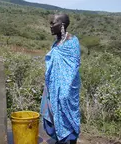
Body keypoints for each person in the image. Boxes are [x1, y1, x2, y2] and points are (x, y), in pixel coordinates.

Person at [40, 14, 81, 144]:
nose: (50, 26)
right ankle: (60, 138)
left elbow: (73, 66)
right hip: (54, 86)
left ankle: (71, 139)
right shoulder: (56, 44)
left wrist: (65, 89)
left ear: (62, 25)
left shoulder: (72, 41)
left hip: (68, 87)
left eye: (53, 23)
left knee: (67, 110)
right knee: (54, 110)